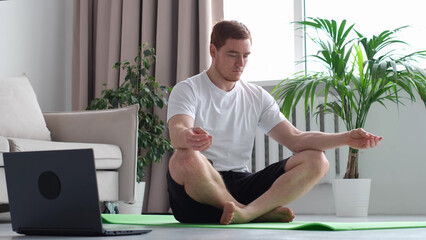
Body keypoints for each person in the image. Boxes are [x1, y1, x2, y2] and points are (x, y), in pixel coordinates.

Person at [166, 20, 383, 225]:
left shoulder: (257, 96)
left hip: (242, 182)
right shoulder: (188, 89)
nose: (240, 63)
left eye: (245, 55)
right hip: (198, 195)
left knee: (318, 160)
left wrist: (346, 138)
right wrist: (188, 137)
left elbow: (296, 140)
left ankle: (246, 212)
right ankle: (250, 212)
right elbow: (177, 131)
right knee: (184, 157)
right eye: (232, 54)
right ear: (213, 51)